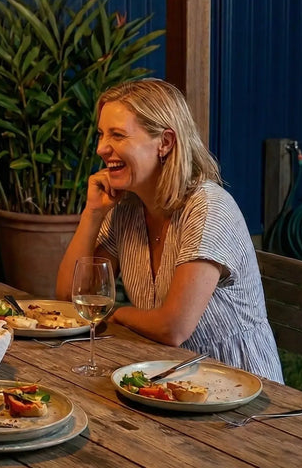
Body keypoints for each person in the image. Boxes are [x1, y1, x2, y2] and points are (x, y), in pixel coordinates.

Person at [55, 78, 283, 382]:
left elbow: (173, 327)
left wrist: (115, 312)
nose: (101, 148)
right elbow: (72, 296)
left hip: (238, 384)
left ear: (165, 142)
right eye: (101, 134)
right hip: (166, 378)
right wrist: (93, 213)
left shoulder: (208, 208)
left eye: (118, 135)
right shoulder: (127, 208)